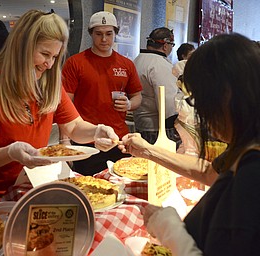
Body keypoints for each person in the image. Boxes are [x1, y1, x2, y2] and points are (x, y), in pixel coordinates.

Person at [0, 10, 119, 212]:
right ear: (20, 47)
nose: (49, 64)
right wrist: (10, 153)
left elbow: (73, 126)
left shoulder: (48, 82)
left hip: (27, 186)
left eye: (55, 56)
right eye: (44, 54)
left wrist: (97, 131)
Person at [120, 33, 260, 255]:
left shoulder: (253, 170)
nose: (200, 111)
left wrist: (169, 228)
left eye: (200, 99)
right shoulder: (246, 146)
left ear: (226, 95)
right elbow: (208, 172)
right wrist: (147, 150)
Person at [61, 11, 142, 175]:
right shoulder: (75, 63)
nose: (104, 39)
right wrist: (65, 140)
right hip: (87, 139)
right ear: (91, 34)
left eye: (108, 34)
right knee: (88, 186)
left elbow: (137, 96)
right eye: (98, 34)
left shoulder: (126, 64)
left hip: (118, 139)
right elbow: (64, 104)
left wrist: (129, 104)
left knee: (121, 185)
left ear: (115, 34)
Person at [133, 27, 179, 145]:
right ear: (165, 45)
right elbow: (168, 102)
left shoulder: (137, 60)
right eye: (171, 45)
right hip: (157, 128)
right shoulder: (159, 65)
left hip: (140, 123)